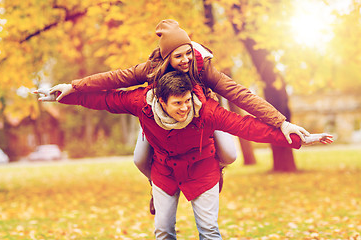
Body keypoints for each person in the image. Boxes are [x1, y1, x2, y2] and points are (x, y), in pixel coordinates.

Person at [47, 19, 310, 214]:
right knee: (140, 159)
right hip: (159, 119)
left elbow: (240, 94)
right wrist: (75, 86)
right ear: (166, 57)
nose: (184, 60)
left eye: (187, 52)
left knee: (230, 154)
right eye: (178, 56)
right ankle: (157, 186)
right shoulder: (150, 69)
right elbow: (115, 79)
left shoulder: (202, 67)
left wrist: (281, 122)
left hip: (204, 116)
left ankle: (214, 172)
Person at [36, 71, 332, 240]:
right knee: (163, 230)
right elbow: (104, 99)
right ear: (160, 102)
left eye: (187, 100)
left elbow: (249, 126)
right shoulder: (140, 101)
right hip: (163, 169)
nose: (185, 107)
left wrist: (297, 138)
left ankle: (220, 173)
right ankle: (154, 191)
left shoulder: (206, 110)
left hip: (203, 167)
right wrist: (67, 94)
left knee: (209, 229)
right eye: (177, 103)